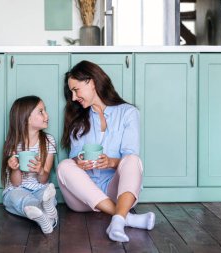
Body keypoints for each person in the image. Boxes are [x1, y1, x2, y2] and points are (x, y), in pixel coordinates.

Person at [57, 60, 155, 242]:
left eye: (76, 90)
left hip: (117, 192)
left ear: (91, 82)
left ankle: (117, 220)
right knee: (64, 165)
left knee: (133, 160)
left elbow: (128, 156)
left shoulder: (128, 113)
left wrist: (111, 162)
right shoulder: (77, 117)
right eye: (71, 92)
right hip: (82, 197)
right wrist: (79, 160)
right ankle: (126, 217)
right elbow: (74, 156)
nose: (73, 97)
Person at [2, 95, 58, 234]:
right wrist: (14, 168)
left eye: (45, 110)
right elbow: (15, 184)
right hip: (17, 189)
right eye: (41, 111)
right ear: (26, 118)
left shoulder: (48, 141)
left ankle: (41, 215)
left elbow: (43, 179)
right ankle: (45, 214)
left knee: (48, 195)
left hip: (39, 187)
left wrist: (40, 170)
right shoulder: (13, 144)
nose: (46, 115)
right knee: (16, 198)